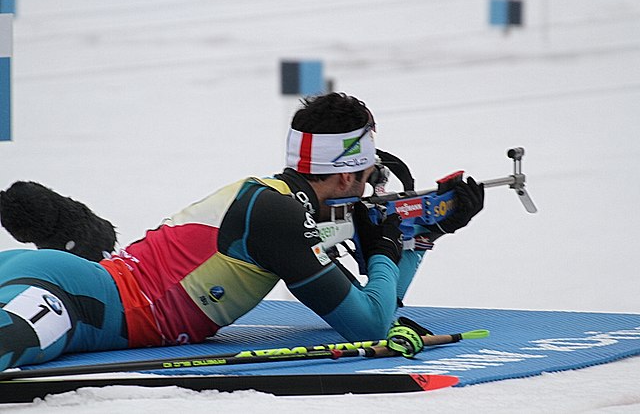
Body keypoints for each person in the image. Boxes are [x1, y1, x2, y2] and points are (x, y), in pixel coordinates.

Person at [0, 93, 484, 371]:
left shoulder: (278, 201)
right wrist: (385, 244)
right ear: (343, 175)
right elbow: (371, 325)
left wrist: (419, 238)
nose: (367, 188)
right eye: (367, 175)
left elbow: (373, 306)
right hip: (77, 301)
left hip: (71, 283)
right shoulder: (282, 218)